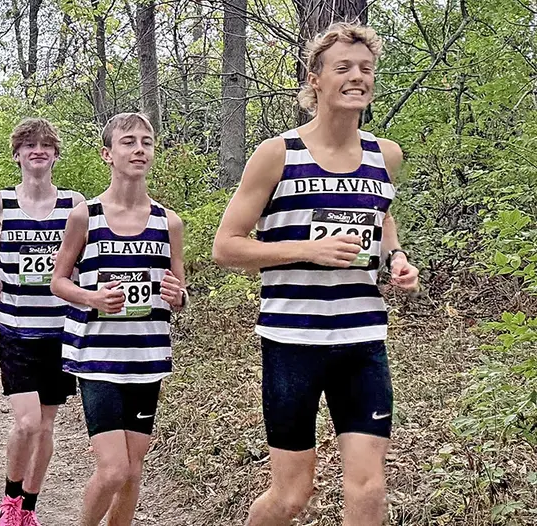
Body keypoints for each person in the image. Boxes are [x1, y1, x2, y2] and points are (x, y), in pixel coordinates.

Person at [211, 23, 420, 526]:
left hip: (362, 341)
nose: (357, 76)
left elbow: (382, 219)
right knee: (291, 497)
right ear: (315, 79)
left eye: (366, 68)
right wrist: (309, 250)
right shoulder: (278, 154)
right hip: (292, 344)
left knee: (370, 489)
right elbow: (226, 247)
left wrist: (396, 258)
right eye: (343, 67)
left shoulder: (385, 155)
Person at [51, 113, 188, 526]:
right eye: (128, 142)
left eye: (146, 142)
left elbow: (179, 292)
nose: (139, 149)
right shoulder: (85, 216)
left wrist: (178, 297)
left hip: (147, 359)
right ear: (107, 154)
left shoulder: (169, 222)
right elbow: (58, 281)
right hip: (98, 358)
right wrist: (92, 297)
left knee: (132, 472)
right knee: (113, 470)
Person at [0, 118, 84, 526]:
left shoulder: (75, 204)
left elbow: (87, 254)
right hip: (15, 326)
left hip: (60, 327)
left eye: (46, 145)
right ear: (17, 154)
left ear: (55, 155)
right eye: (30, 145)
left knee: (46, 425)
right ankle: (9, 498)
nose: (38, 151)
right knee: (28, 422)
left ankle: (28, 508)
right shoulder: (0, 201)